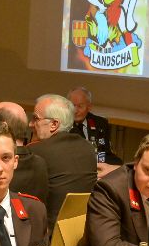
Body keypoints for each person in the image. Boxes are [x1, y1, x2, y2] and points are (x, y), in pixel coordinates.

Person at [26, 93, 97, 227]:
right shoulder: (88, 148)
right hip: (80, 230)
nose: (30, 124)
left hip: (46, 231)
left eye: (35, 119)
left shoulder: (35, 152)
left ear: (54, 124)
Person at [68, 85, 121, 173]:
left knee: (120, 166)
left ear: (89, 107)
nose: (75, 110)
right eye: (72, 105)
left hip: (98, 164)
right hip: (75, 167)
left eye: (80, 106)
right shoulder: (63, 125)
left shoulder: (100, 123)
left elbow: (104, 151)